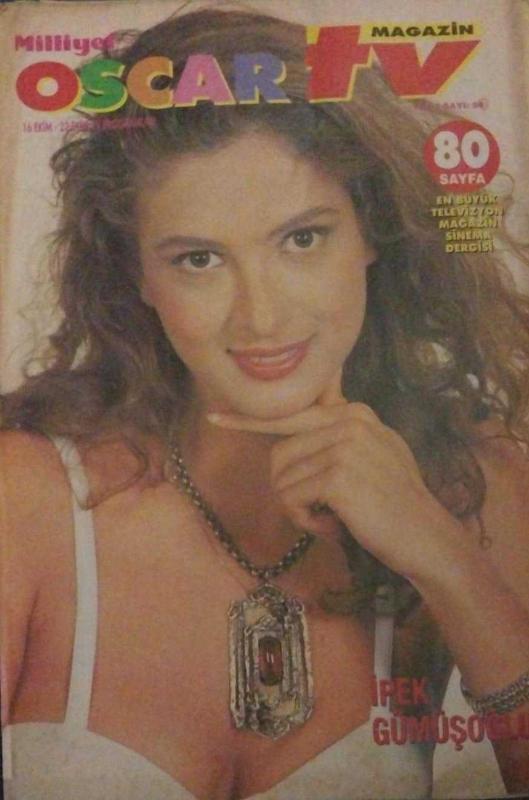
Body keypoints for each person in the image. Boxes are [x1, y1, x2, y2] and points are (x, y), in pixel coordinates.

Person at [2, 5, 529, 800]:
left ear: (370, 231)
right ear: (137, 274)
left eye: (301, 239)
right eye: (200, 259)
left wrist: (440, 553)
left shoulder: (474, 485)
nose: (261, 317)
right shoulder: (28, 497)